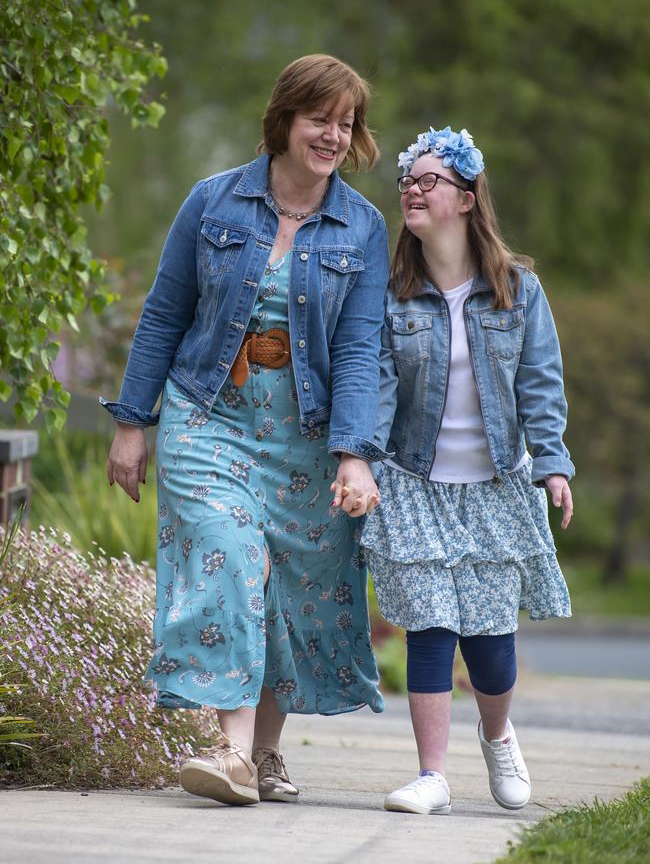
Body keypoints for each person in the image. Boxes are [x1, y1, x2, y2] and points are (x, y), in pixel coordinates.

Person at [101, 54, 391, 807]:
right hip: (208, 412)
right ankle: (229, 753)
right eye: (319, 118)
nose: (332, 134)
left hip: (305, 430)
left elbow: (361, 347)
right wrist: (133, 424)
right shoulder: (213, 201)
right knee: (229, 559)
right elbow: (165, 314)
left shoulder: (361, 226)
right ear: (285, 119)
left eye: (345, 123)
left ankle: (264, 753)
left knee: (293, 594)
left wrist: (355, 455)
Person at [361, 126, 574, 815]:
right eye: (408, 181)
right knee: (429, 626)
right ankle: (433, 776)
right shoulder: (392, 295)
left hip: (495, 488)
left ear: (467, 196)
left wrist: (555, 466)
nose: (412, 191)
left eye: (428, 181)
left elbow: (540, 386)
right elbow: (378, 387)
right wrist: (359, 460)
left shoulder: (518, 290)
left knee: (489, 647)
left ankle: (497, 730)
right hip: (415, 484)